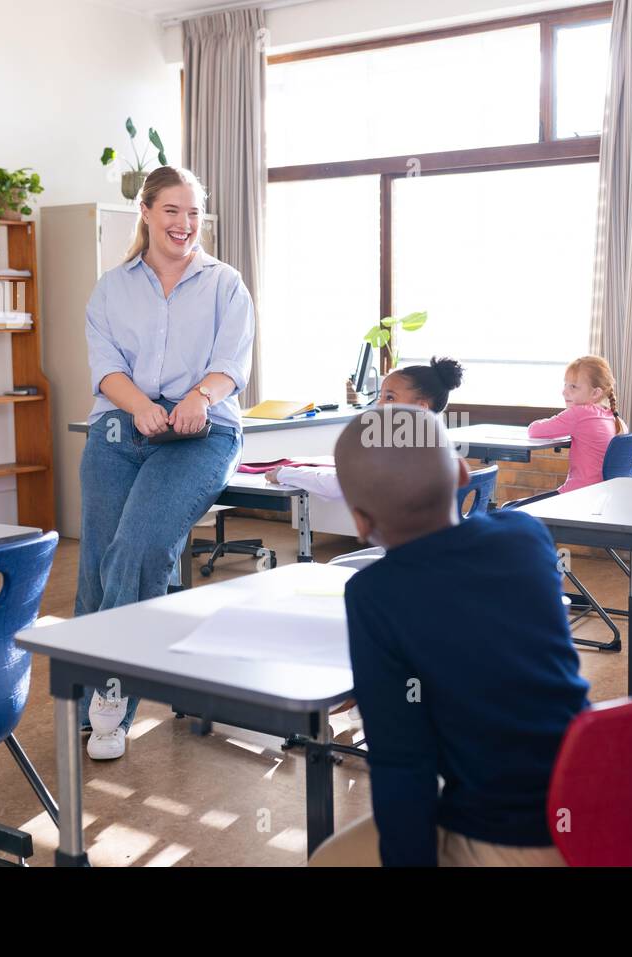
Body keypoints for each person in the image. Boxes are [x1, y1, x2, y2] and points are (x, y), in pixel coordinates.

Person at [309, 406, 589, 866]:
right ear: (463, 475)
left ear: (359, 521)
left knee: (328, 861)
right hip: (600, 795)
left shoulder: (374, 594)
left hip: (513, 836)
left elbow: (404, 765)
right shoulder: (527, 534)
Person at [74, 166, 254, 760]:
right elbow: (104, 367)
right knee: (100, 557)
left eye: (194, 213)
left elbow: (232, 365)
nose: (184, 224)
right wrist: (143, 408)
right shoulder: (111, 287)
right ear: (146, 213)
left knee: (142, 546)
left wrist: (199, 398)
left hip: (202, 431)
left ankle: (111, 696)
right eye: (172, 211)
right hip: (122, 425)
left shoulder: (225, 284)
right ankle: (89, 692)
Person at [267, 357, 463, 500]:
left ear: (420, 408)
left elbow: (340, 486)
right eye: (382, 396)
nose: (379, 405)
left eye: (390, 398)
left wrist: (284, 473)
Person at [511, 355, 626, 508]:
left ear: (596, 393)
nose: (564, 392)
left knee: (510, 509)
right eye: (565, 384)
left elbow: (534, 430)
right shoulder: (613, 417)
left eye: (573, 387)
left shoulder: (580, 414)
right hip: (601, 497)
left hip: (578, 496)